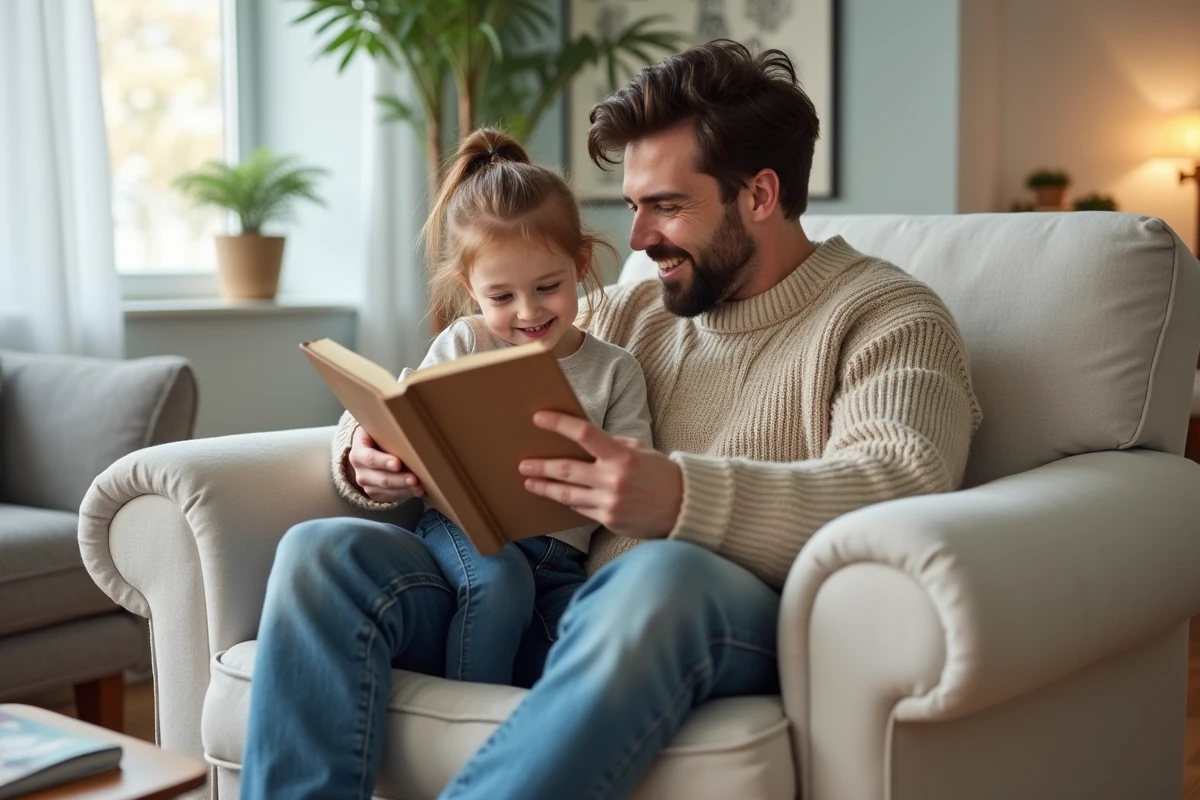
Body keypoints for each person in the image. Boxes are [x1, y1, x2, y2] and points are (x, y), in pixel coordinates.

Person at [241, 39, 982, 800]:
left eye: (666, 206)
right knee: (323, 554)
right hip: (538, 608)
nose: (636, 240)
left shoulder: (887, 314)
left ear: (759, 195)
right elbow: (459, 378)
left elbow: (902, 483)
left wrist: (681, 499)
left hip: (713, 614)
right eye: (633, 206)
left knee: (660, 575)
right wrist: (364, 444)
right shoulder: (632, 309)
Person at [385, 127, 651, 685]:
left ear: (581, 263)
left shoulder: (615, 370)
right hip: (466, 530)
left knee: (593, 644)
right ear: (470, 286)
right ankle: (468, 733)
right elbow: (403, 412)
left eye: (548, 287)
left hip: (559, 561)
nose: (528, 312)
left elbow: (634, 482)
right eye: (501, 297)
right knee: (499, 582)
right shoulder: (465, 342)